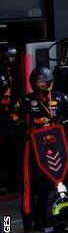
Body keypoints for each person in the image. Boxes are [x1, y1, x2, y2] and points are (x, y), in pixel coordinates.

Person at [13, 67, 68, 231]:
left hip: (55, 146)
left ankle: (47, 216)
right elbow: (13, 115)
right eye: (37, 81)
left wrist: (66, 119)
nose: (40, 84)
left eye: (42, 81)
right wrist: (24, 124)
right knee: (30, 182)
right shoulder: (26, 100)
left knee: (52, 181)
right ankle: (28, 218)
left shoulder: (60, 98)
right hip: (32, 147)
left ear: (49, 81)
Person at [0, 46, 19, 192]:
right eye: (8, 57)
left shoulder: (10, 72)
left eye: (13, 57)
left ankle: (13, 182)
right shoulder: (1, 73)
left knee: (12, 147)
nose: (11, 59)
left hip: (7, 116)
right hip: (2, 117)